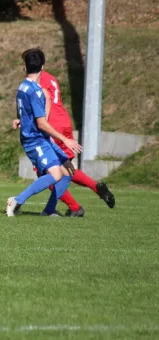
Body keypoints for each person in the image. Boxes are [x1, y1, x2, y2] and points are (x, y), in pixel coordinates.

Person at [31, 49, 115, 214]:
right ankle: (95, 187)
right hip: (64, 121)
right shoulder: (50, 78)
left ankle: (72, 207)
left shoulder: (35, 81)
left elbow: (41, 103)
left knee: (46, 173)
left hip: (50, 124)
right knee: (65, 167)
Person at [6, 48, 83, 217]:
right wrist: (66, 140)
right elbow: (42, 123)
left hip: (40, 138)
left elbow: (25, 112)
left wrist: (21, 120)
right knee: (56, 174)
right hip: (35, 140)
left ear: (24, 67)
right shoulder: (35, 91)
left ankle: (48, 210)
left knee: (68, 171)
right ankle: (17, 201)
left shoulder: (23, 87)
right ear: (43, 67)